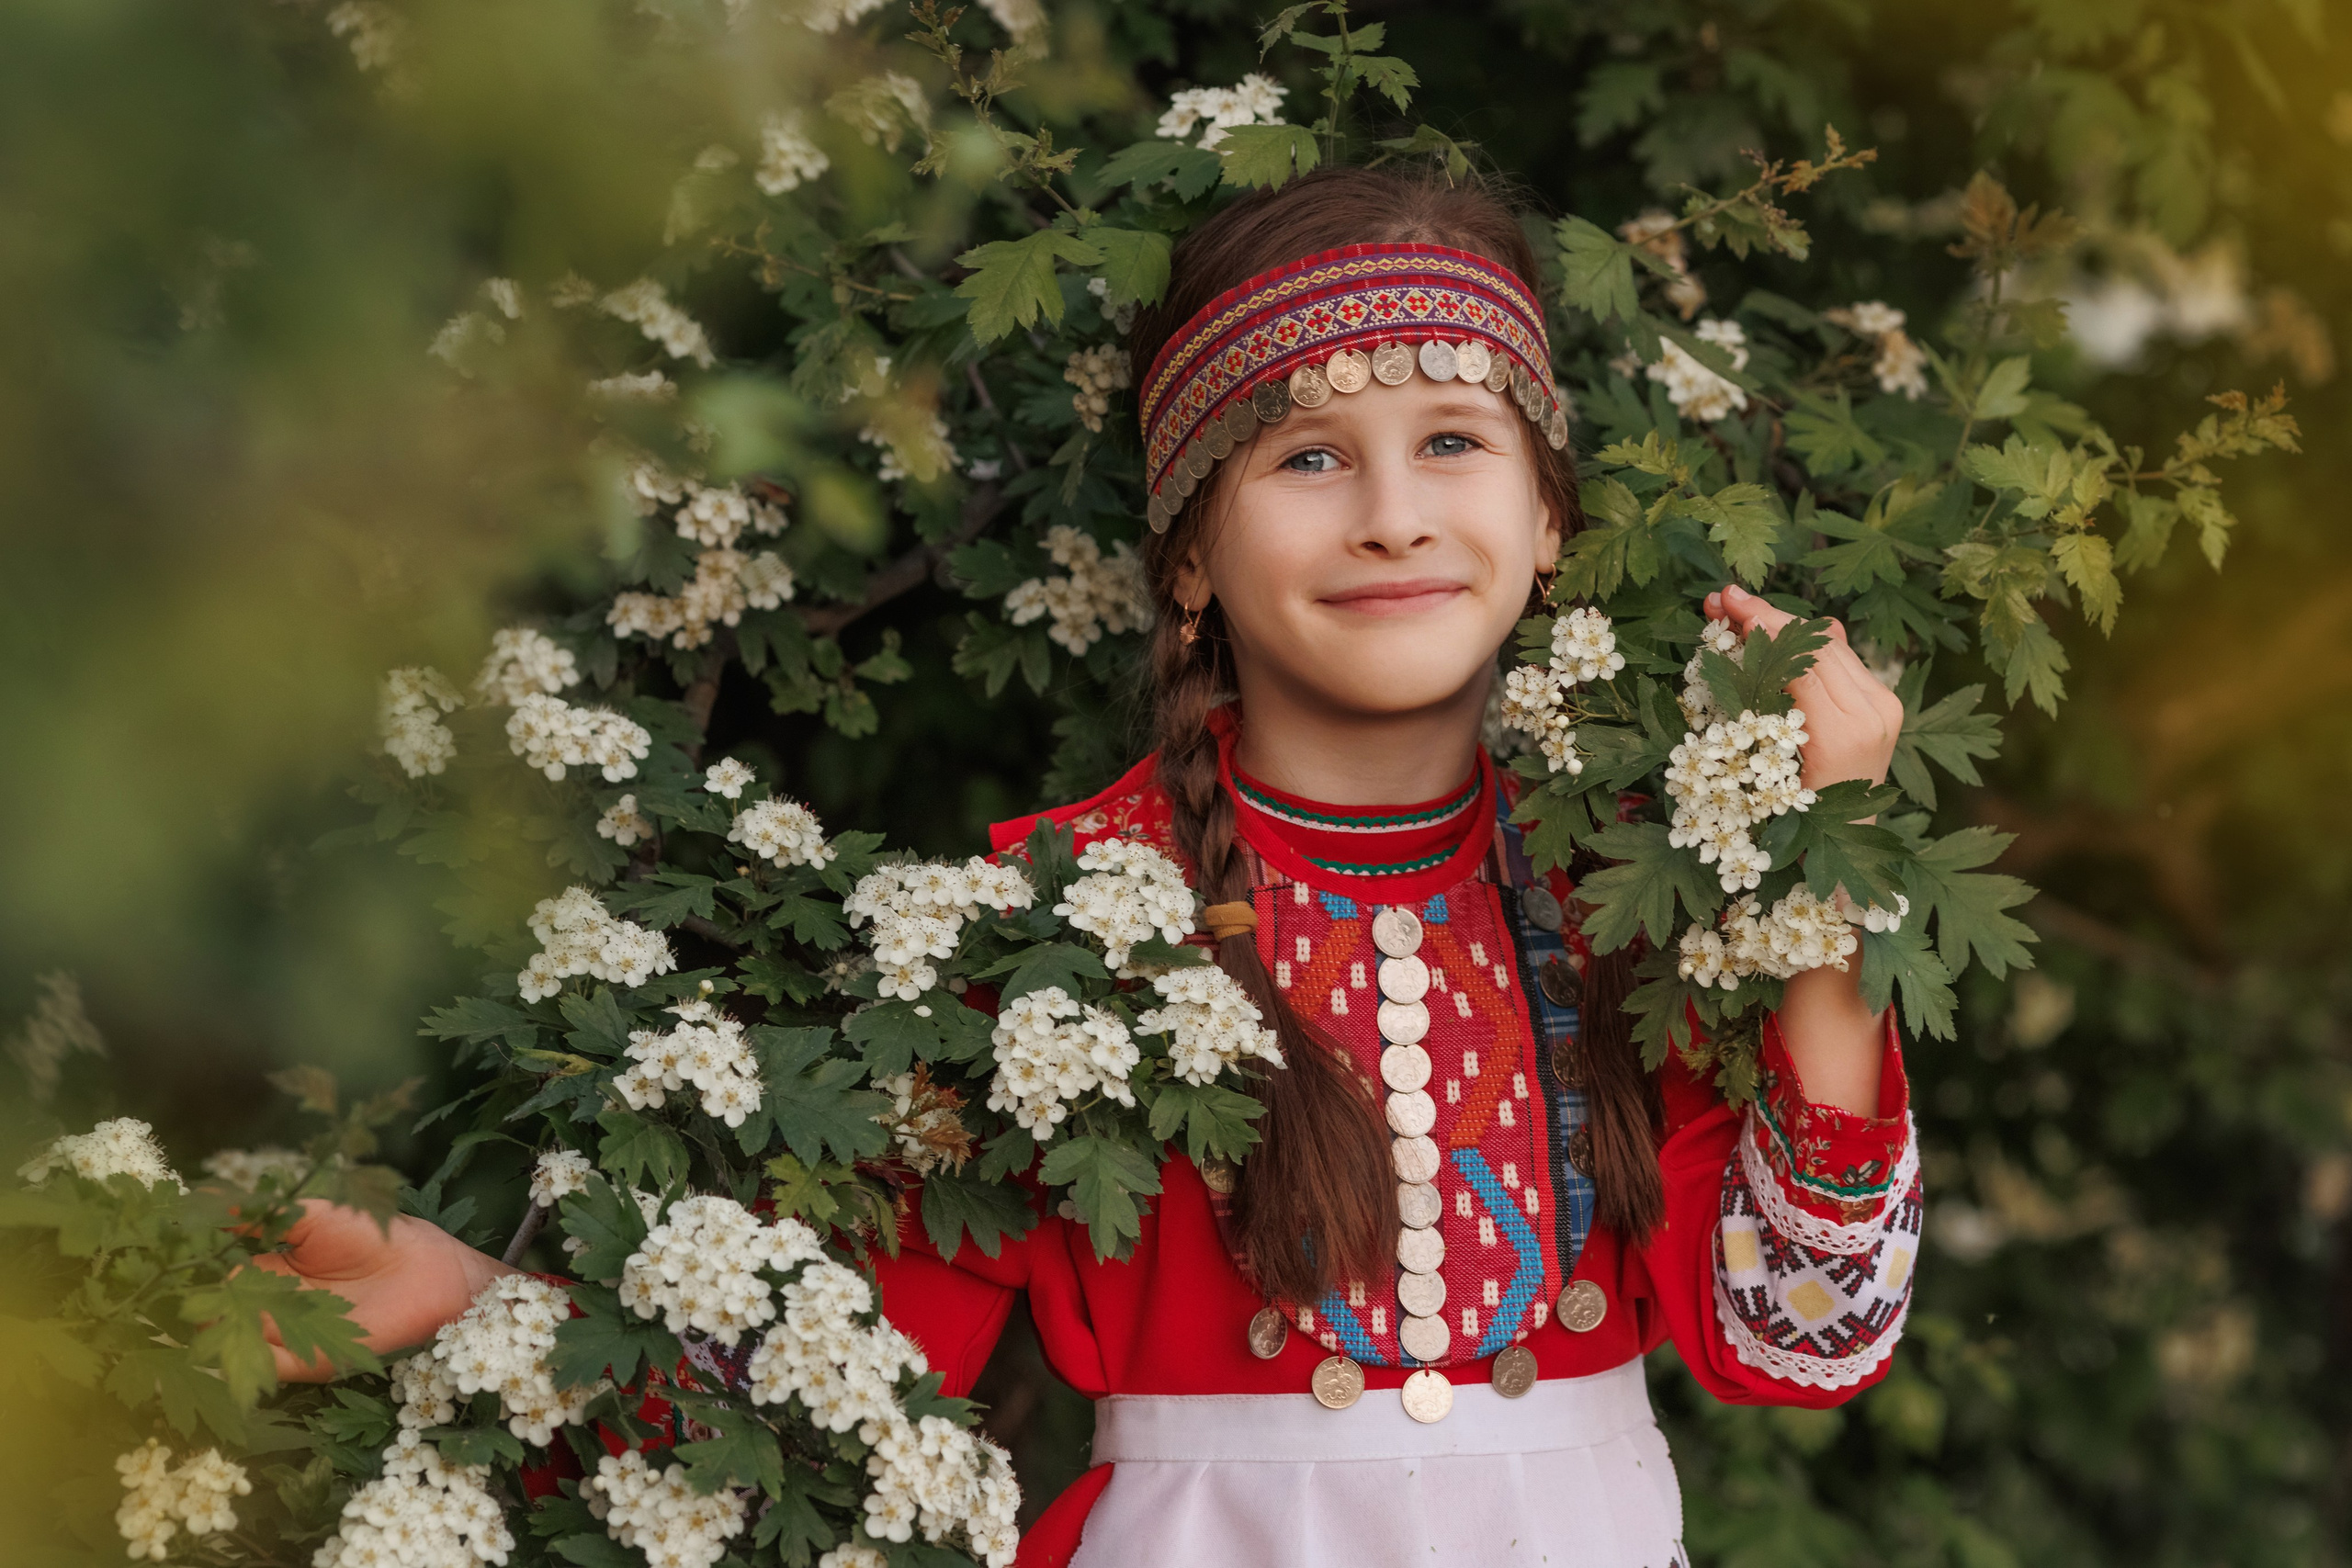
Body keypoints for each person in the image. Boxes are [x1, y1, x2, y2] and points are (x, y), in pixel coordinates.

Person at [261, 165, 1919, 1568]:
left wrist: (1816, 887)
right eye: (1309, 458)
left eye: (1455, 444)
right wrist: (477, 1300)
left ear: (1551, 518)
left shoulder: (1641, 882)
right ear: (1190, 550)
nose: (1395, 517)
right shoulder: (1047, 926)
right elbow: (817, 1381)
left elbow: (1797, 1340)